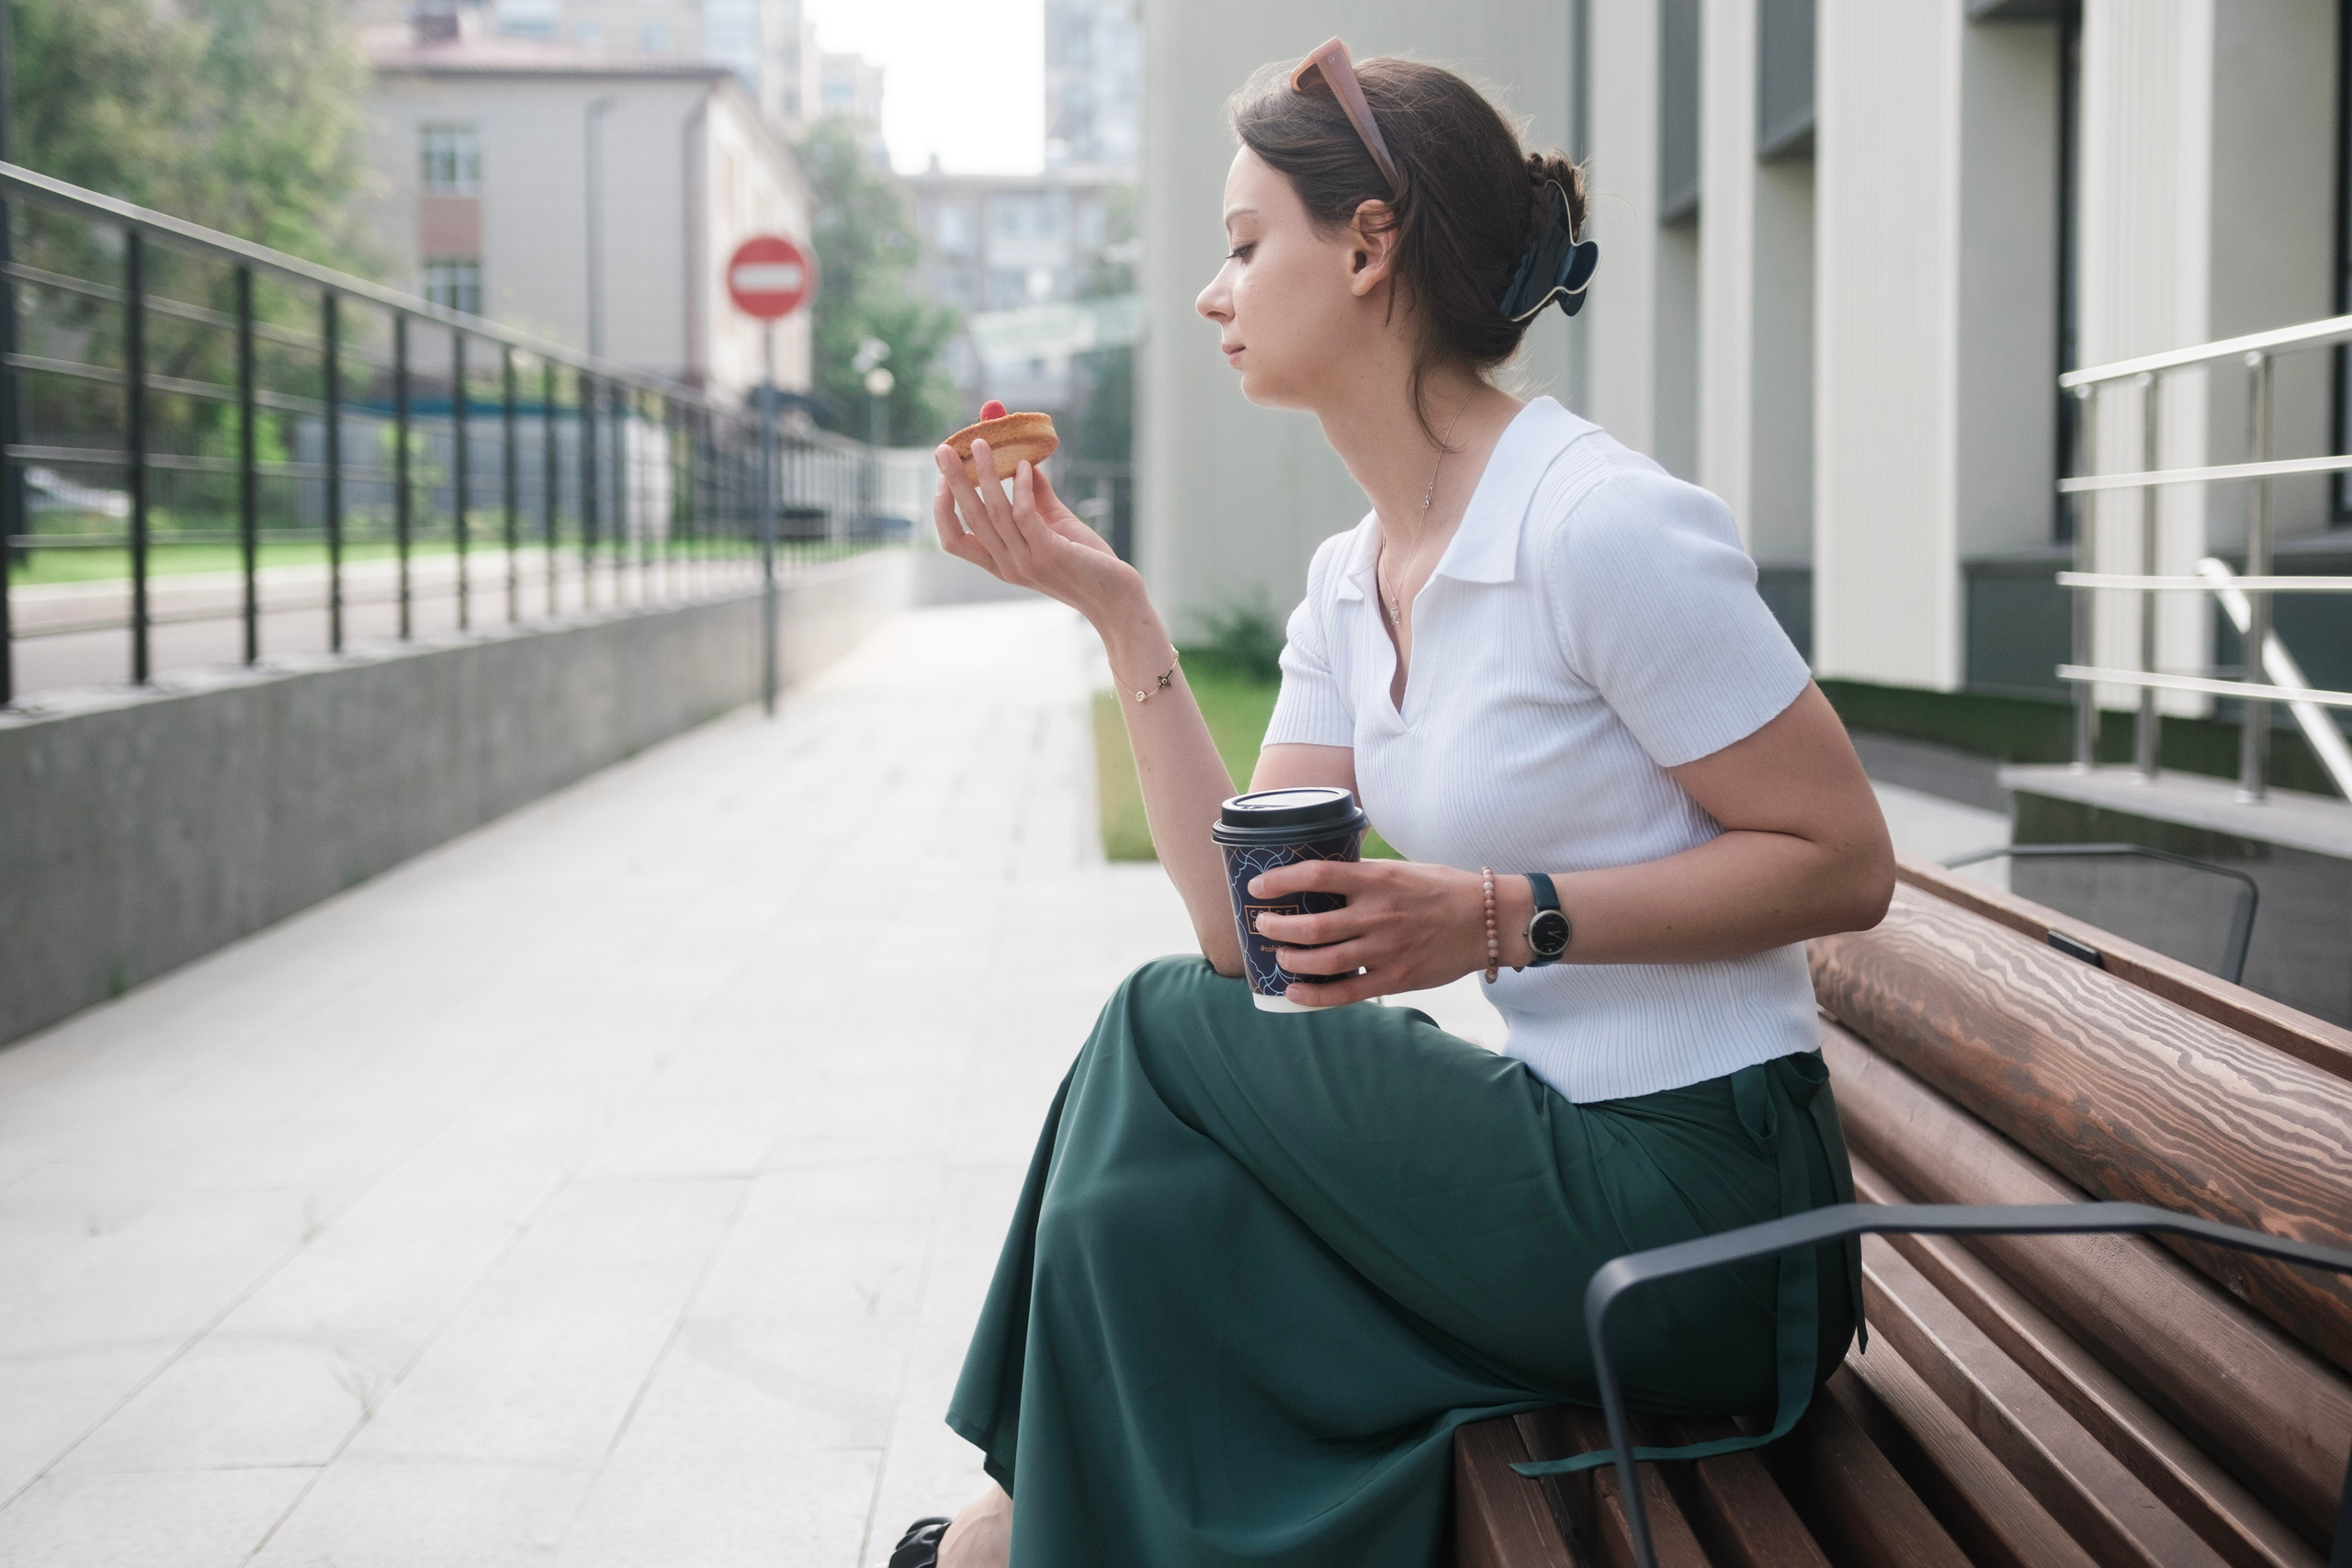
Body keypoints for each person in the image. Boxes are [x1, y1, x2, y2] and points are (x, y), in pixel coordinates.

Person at [894, 40, 1894, 1568]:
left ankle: (1010, 1534)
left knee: (1154, 1030)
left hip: (1712, 1220)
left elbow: (1846, 862)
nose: (1214, 292)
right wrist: (1120, 618)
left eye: (1244, 244)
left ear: (1368, 245)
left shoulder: (1595, 523)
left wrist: (1499, 917)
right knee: (1170, 1153)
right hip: (1576, 1163)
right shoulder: (1352, 583)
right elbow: (1249, 941)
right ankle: (1025, 1529)